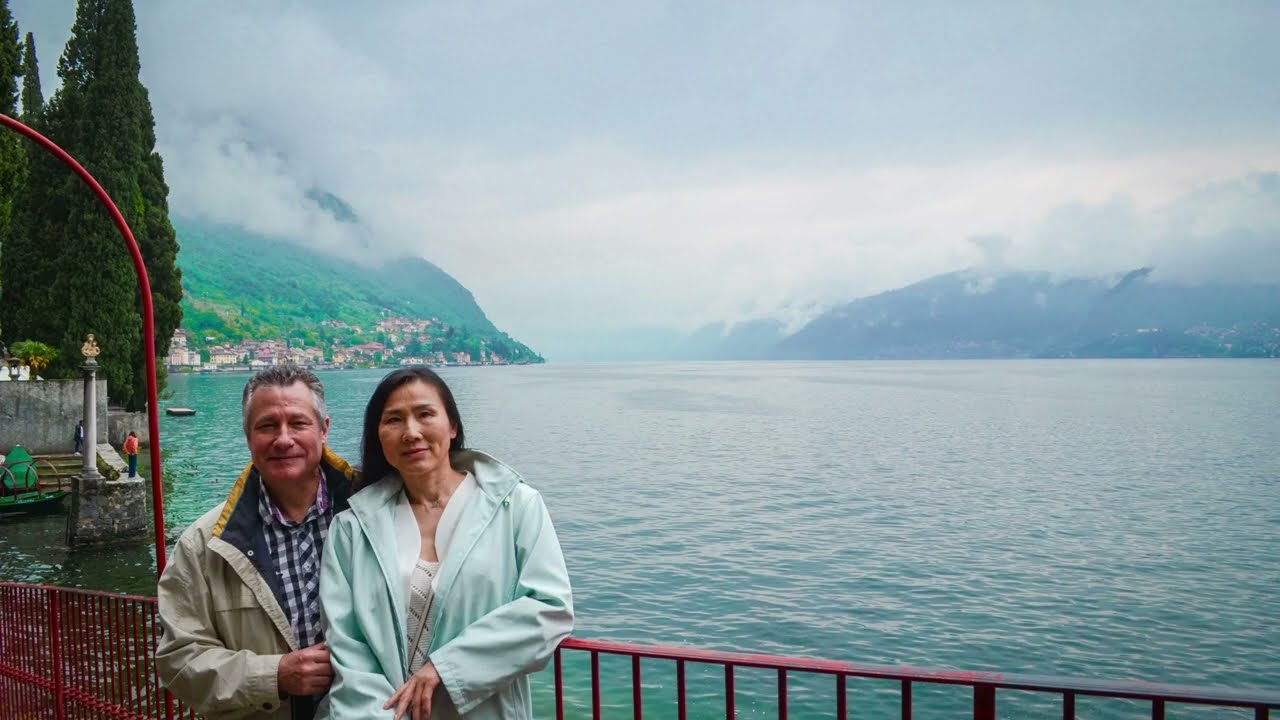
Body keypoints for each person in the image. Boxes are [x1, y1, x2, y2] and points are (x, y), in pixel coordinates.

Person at [318, 367, 573, 720]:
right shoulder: (351, 529)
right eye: (394, 420)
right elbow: (348, 645)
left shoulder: (516, 506)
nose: (411, 432)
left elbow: (549, 608)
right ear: (378, 436)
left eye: (425, 414)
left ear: (452, 426)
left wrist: (447, 668)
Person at [156, 366, 356, 720]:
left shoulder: (371, 514)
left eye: (298, 423)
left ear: (323, 430)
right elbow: (179, 659)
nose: (283, 439)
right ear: (248, 436)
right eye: (267, 426)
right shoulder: (203, 545)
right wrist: (275, 675)